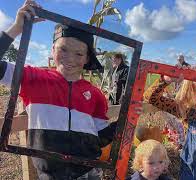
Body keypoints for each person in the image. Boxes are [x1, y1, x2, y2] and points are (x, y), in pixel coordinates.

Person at [0, 1, 117, 179]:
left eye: (79, 54)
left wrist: (127, 118)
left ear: (87, 58)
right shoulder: (33, 79)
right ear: (52, 48)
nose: (70, 58)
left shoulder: (95, 95)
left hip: (90, 173)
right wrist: (16, 28)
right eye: (63, 49)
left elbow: (100, 138)